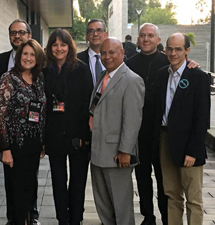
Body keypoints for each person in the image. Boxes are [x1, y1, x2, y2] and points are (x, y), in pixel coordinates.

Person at [125, 23, 199, 225]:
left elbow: (182, 69)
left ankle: (167, 218)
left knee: (163, 178)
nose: (146, 39)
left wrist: (191, 64)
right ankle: (148, 216)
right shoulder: (129, 64)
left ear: (159, 42)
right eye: (142, 36)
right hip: (138, 131)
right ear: (138, 39)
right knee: (142, 177)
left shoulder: (167, 63)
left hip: (161, 132)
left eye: (150, 35)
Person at [154, 33, 210, 225]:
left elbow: (202, 118)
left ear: (187, 51)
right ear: (165, 50)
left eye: (178, 49)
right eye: (170, 49)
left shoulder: (198, 77)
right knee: (171, 194)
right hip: (165, 140)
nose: (173, 53)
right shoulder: (162, 74)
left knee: (193, 199)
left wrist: (193, 151)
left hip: (189, 145)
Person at [89, 37, 145, 225]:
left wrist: (125, 151)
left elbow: (132, 120)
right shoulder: (102, 77)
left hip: (117, 156)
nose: (107, 57)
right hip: (98, 153)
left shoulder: (132, 80)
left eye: (112, 52)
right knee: (103, 206)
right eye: (103, 53)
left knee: (121, 208)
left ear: (122, 53)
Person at [0, 19, 40, 225]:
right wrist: (5, 147)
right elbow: (0, 114)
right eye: (24, 54)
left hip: (32, 143)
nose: (28, 58)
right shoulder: (7, 77)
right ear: (18, 57)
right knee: (15, 188)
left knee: (29, 187)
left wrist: (42, 141)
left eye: (32, 54)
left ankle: (29, 219)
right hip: (12, 143)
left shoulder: (39, 78)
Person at [43, 28, 92, 225]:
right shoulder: (45, 70)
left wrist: (84, 135)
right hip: (54, 135)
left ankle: (76, 219)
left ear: (69, 46)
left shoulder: (81, 69)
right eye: (55, 44)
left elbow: (87, 104)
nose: (59, 48)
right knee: (58, 182)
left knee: (78, 181)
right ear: (50, 47)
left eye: (63, 44)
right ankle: (62, 219)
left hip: (77, 135)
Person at [0, 19, 32, 88]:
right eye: (13, 33)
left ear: (29, 36)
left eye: (21, 32)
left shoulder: (38, 61)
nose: (17, 36)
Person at [77, 18, 108, 86]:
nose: (95, 34)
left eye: (99, 30)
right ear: (86, 36)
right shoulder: (76, 60)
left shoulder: (115, 59)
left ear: (106, 35)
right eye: (91, 31)